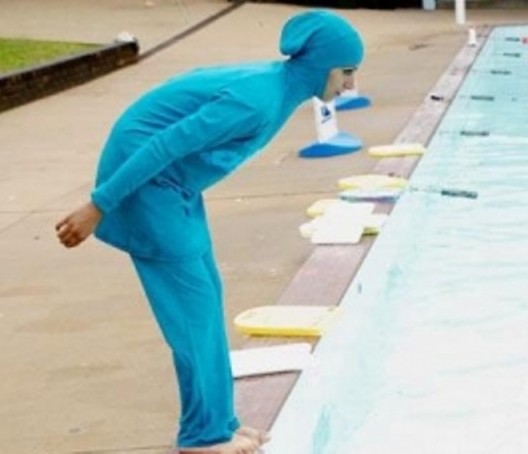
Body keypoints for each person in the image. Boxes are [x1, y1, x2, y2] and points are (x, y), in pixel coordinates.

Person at [55, 9, 364, 454]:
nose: (350, 84)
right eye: (346, 71)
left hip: (175, 186)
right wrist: (99, 204)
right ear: (321, 64)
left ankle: (219, 422)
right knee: (193, 314)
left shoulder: (276, 87)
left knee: (206, 301)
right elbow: (162, 143)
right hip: (147, 184)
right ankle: (201, 437)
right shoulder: (258, 100)